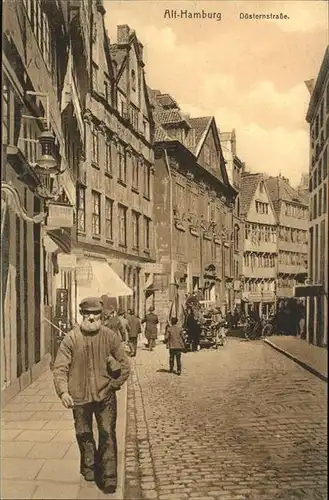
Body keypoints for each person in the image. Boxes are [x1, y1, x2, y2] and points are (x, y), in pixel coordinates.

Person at [53, 297, 130, 494]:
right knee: (83, 433)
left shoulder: (111, 337)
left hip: (105, 396)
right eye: (88, 314)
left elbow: (125, 365)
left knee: (107, 434)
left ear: (102, 315)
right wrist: (63, 391)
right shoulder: (71, 338)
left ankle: (109, 477)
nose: (92, 317)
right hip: (79, 397)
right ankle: (89, 468)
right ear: (82, 315)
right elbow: (60, 368)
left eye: (96, 313)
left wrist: (114, 385)